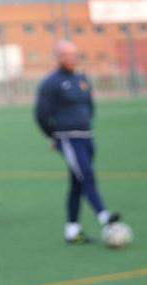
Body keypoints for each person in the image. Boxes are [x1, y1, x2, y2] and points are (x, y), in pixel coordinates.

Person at [34, 40, 121, 244]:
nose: (72, 58)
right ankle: (105, 217)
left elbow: (89, 104)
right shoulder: (51, 83)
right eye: (66, 55)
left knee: (78, 182)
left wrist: (87, 120)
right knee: (87, 176)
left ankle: (72, 231)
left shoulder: (82, 78)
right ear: (58, 57)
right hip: (68, 138)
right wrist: (52, 136)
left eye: (74, 54)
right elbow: (40, 114)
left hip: (86, 137)